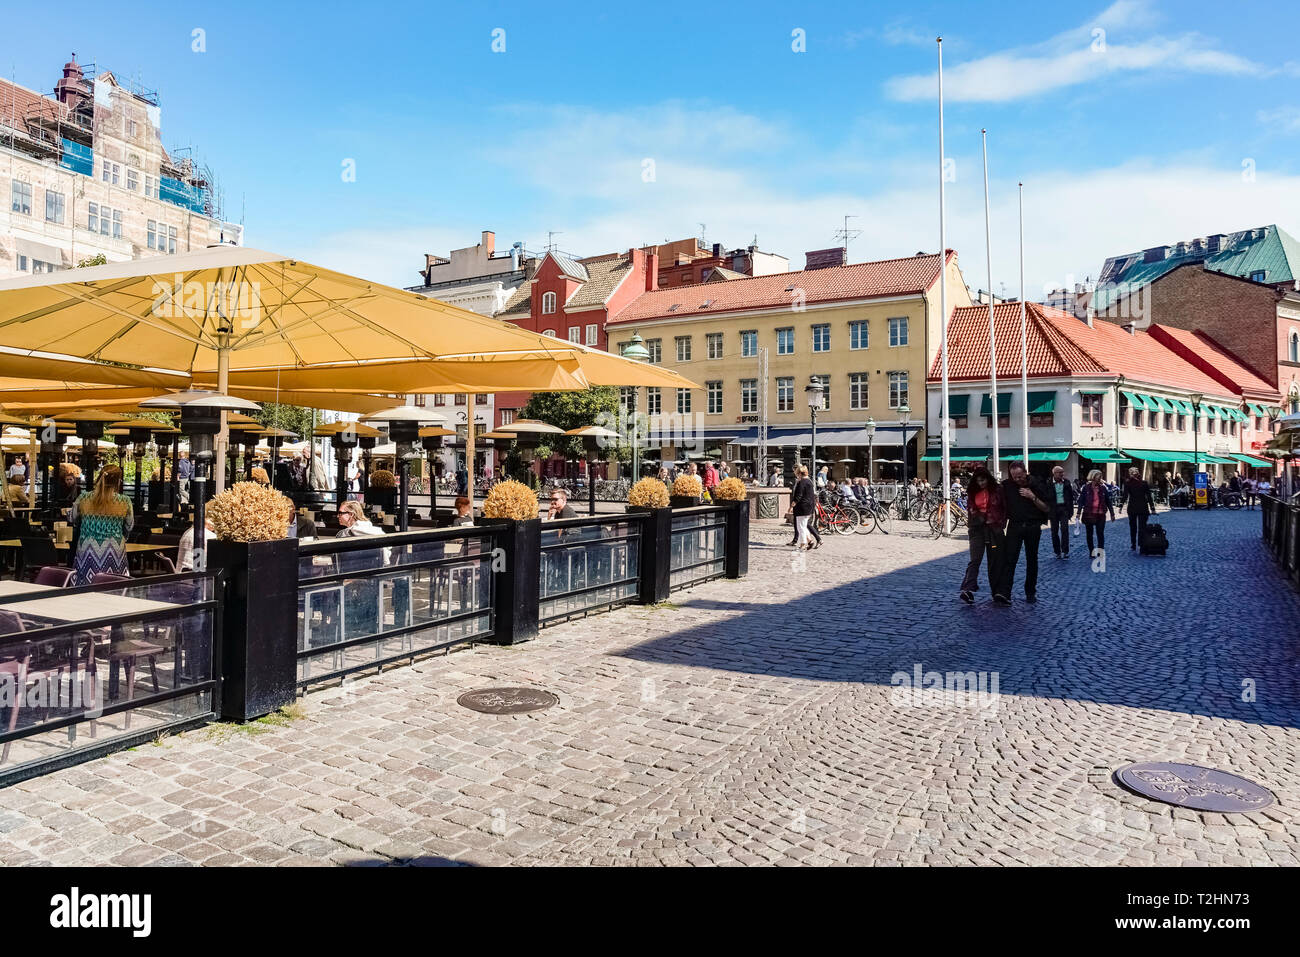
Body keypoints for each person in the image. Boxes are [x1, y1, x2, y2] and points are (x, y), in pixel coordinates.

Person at [69, 466, 133, 585]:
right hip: (115, 549)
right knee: (114, 585)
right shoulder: (125, 501)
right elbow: (129, 526)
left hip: (86, 548)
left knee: (84, 586)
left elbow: (72, 518)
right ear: (118, 481)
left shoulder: (84, 497)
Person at [997, 463, 1050, 604]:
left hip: (1033, 526)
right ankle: (1005, 593)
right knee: (1009, 559)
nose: (1017, 480)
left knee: (1032, 560)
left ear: (1026, 472)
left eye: (1020, 476)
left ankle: (1030, 592)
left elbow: (1046, 508)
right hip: (1015, 526)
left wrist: (1032, 497)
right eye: (1014, 477)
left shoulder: (1037, 484)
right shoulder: (1007, 485)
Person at [960, 466, 1006, 604]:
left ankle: (997, 591)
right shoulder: (972, 491)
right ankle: (968, 589)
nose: (981, 483)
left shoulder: (997, 490)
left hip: (993, 529)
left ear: (988, 479)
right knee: (975, 559)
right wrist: (975, 519)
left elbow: (1004, 507)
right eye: (979, 481)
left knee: (995, 561)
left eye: (983, 480)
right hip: (977, 528)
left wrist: (1001, 523)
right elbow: (970, 508)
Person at [1076, 469, 1115, 556]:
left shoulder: (1103, 488)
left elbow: (1108, 501)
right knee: (1089, 534)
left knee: (1100, 533)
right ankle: (1091, 551)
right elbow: (1081, 501)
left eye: (1101, 476)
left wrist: (1112, 514)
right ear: (1093, 477)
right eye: (1099, 476)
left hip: (1100, 514)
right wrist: (1078, 512)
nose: (1100, 478)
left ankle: (1100, 551)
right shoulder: (1086, 488)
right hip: (1088, 514)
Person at [1120, 467, 1156, 552]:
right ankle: (1140, 544)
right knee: (1140, 527)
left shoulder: (1129, 483)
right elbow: (1149, 496)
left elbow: (1125, 495)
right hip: (1142, 507)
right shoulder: (1143, 483)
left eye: (1131, 473)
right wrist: (1152, 508)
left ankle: (1134, 544)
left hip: (1133, 507)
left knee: (1134, 527)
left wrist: (1121, 506)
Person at [1046, 465, 1077, 560]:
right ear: (1054, 473)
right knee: (1054, 532)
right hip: (1053, 510)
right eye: (1060, 472)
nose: (1062, 474)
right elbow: (1046, 497)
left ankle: (1065, 551)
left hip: (1064, 509)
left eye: (1062, 472)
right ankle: (1057, 552)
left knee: (1065, 530)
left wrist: (1070, 512)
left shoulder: (1067, 483)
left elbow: (1071, 498)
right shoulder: (1049, 483)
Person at [790, 465, 816, 550]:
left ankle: (803, 543)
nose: (797, 475)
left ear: (800, 474)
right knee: (803, 526)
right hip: (809, 507)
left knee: (800, 526)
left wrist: (792, 505)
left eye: (797, 473)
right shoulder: (809, 481)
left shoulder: (802, 482)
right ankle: (810, 541)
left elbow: (798, 496)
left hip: (802, 507)